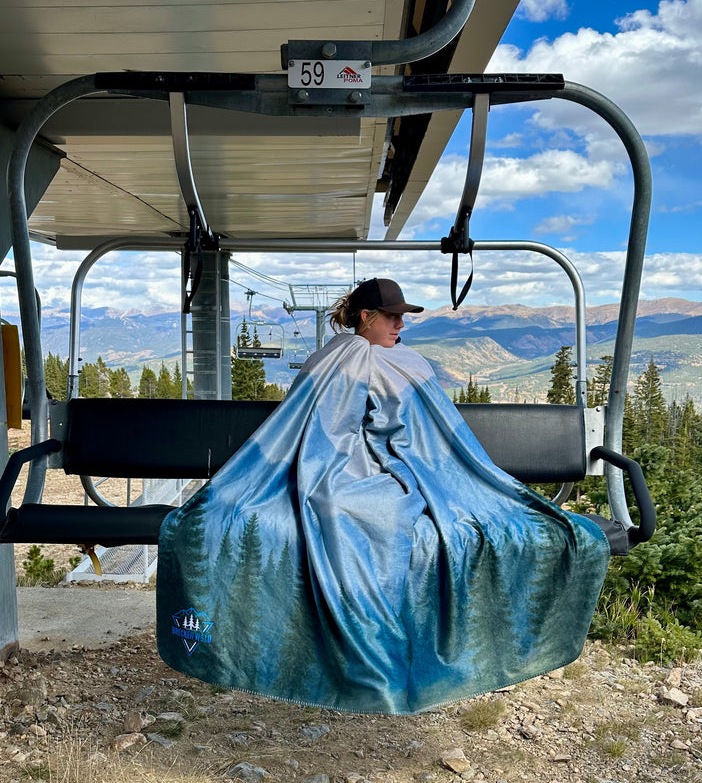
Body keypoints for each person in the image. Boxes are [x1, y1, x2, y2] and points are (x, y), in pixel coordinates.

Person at [157, 278, 610, 714]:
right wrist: (357, 464)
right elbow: (321, 430)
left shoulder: (407, 363)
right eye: (392, 317)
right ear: (367, 316)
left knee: (383, 513)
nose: (400, 325)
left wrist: (396, 458)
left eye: (403, 317)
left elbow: (422, 432)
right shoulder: (339, 357)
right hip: (339, 469)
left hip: (398, 468)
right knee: (342, 506)